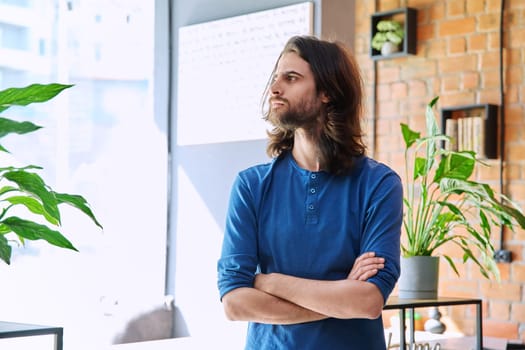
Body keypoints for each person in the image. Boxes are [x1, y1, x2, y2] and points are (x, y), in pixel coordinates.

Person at [217, 35, 403, 349]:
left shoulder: (379, 184)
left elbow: (368, 301)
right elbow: (235, 303)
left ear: (327, 92)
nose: (275, 88)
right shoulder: (251, 186)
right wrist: (340, 295)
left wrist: (269, 282)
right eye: (276, 78)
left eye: (291, 78)